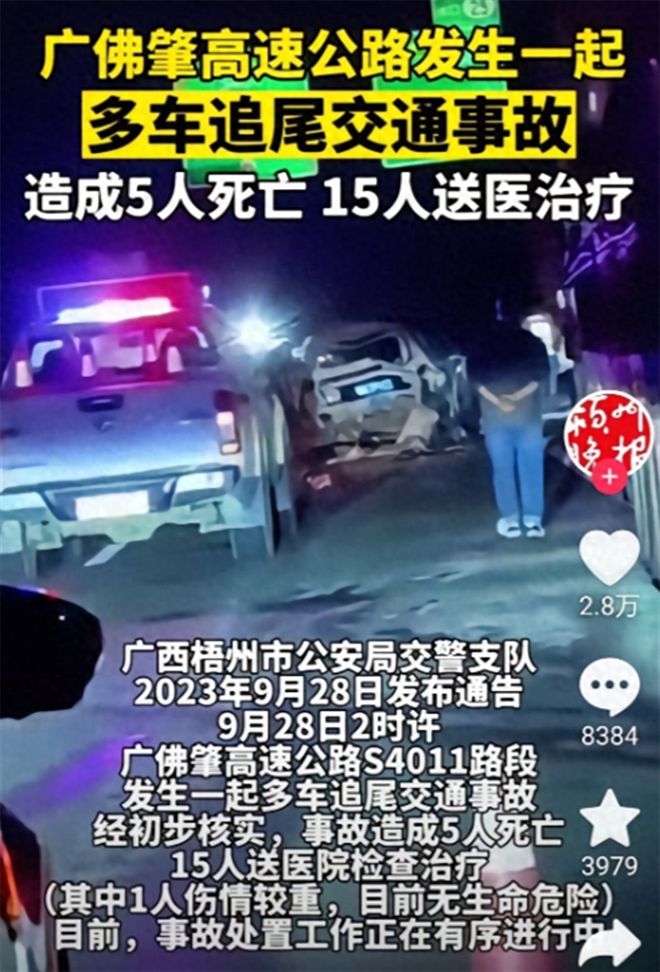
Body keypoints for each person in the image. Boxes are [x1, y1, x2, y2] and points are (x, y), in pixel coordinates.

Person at [469, 313, 550, 539]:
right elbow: (540, 376)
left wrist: (499, 401)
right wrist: (516, 397)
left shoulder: (481, 344)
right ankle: (533, 521)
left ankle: (511, 520)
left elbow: (475, 380)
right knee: (532, 467)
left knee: (503, 469)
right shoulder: (532, 342)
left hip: (495, 417)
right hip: (528, 415)